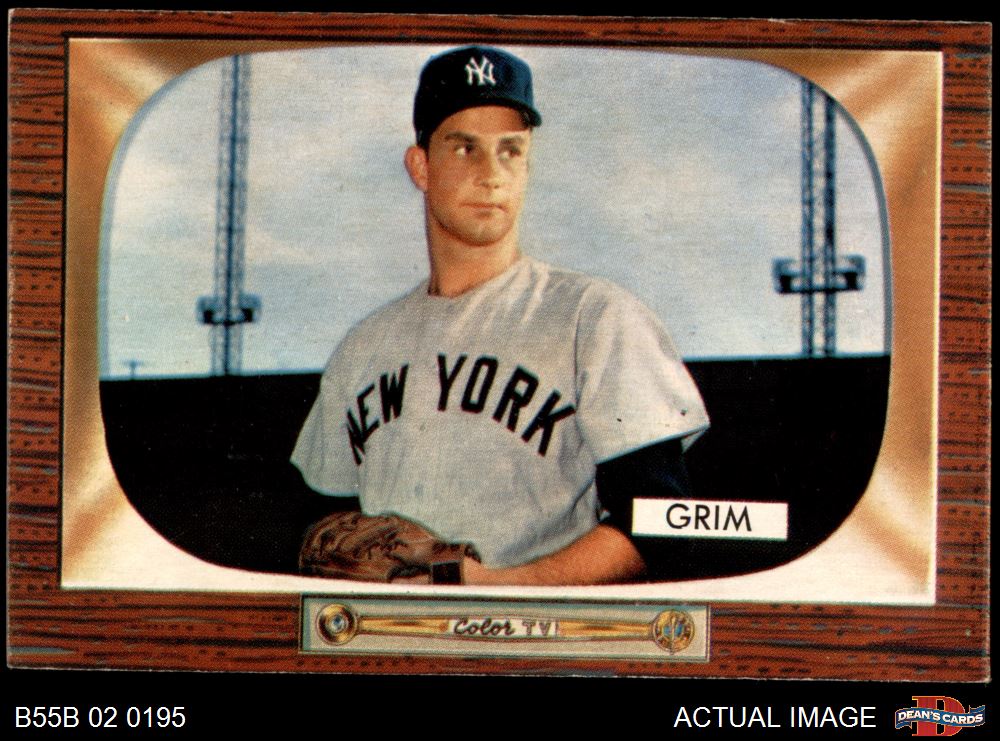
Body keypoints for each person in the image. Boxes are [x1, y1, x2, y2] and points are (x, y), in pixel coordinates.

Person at [291, 45, 709, 586]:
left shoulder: (596, 318)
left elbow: (661, 523)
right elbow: (324, 527)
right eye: (465, 148)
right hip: (392, 629)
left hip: (540, 630)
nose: (491, 174)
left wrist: (487, 587)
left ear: (527, 166)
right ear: (421, 166)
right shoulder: (364, 346)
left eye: (510, 151)